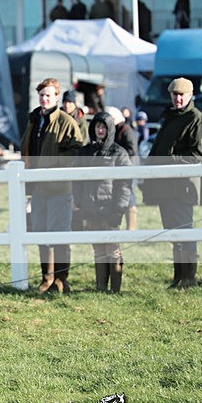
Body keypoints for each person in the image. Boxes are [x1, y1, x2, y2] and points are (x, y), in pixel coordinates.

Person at [20, 78, 84, 293]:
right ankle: (46, 278)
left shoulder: (66, 121)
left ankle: (61, 279)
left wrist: (53, 164)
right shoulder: (33, 120)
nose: (44, 99)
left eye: (48, 95)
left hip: (59, 188)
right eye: (41, 95)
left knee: (60, 234)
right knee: (40, 233)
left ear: (57, 97)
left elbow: (77, 150)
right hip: (37, 187)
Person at [140, 77, 202, 288]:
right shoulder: (169, 117)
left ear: (190, 95)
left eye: (181, 95)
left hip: (182, 188)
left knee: (185, 233)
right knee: (173, 233)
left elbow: (197, 156)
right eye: (175, 94)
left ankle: (188, 278)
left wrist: (166, 160)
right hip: (164, 187)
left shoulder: (196, 119)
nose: (178, 98)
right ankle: (178, 277)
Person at [73, 111, 132, 292]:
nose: (100, 130)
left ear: (110, 129)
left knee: (112, 249)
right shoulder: (84, 152)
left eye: (104, 127)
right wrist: (80, 203)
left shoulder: (119, 153)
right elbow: (77, 181)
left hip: (110, 209)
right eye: (97, 126)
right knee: (98, 249)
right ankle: (100, 287)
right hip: (90, 209)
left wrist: (119, 209)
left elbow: (124, 184)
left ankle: (115, 289)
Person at [107, 106, 139, 230]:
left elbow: (132, 150)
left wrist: (116, 156)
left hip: (128, 168)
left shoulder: (126, 131)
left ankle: (131, 228)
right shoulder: (116, 131)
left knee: (128, 196)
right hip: (120, 169)